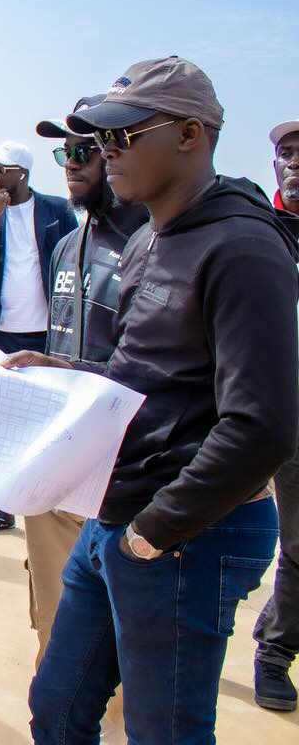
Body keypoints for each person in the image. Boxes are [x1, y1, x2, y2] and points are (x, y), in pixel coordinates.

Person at [8, 57, 297, 742]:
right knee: (58, 706)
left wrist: (151, 533)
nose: (106, 154)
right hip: (122, 515)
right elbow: (149, 371)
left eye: (122, 137)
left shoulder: (243, 248)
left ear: (191, 135)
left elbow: (264, 425)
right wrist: (66, 367)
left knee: (164, 730)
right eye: (98, 141)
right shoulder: (148, 240)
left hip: (188, 530)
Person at [23, 96, 148, 665]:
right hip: (59, 476)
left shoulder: (154, 243)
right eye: (64, 152)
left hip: (129, 483)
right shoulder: (68, 246)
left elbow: (156, 375)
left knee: (123, 654)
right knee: (57, 636)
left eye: (85, 151)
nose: (72, 163)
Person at [0, 139, 76, 534]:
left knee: (46, 422)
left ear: (20, 174)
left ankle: (48, 506)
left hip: (47, 335)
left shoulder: (57, 211)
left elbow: (74, 263)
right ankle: (1, 506)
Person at [253, 118, 299, 711]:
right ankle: (276, 651)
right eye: (288, 152)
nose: (297, 160)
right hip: (281, 409)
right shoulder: (259, 229)